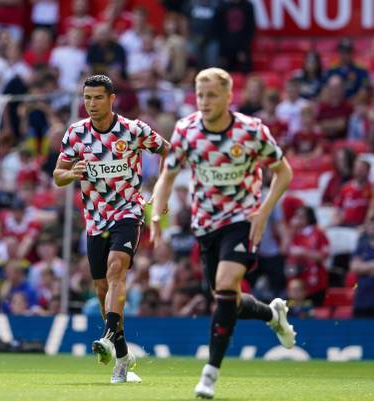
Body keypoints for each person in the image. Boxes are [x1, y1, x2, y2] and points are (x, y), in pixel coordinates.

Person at [150, 68, 296, 399]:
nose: (204, 102)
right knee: (224, 298)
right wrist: (156, 212)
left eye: (212, 95)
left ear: (229, 96)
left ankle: (210, 373)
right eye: (200, 95)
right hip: (205, 225)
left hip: (242, 220)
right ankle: (272, 313)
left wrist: (263, 211)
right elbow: (167, 177)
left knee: (227, 284)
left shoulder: (250, 130)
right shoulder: (186, 131)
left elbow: (283, 172)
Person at [53, 75, 169, 383]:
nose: (91, 104)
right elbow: (57, 174)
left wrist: (161, 192)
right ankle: (121, 354)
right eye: (87, 98)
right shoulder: (76, 134)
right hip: (95, 220)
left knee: (117, 269)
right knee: (102, 288)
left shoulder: (133, 130)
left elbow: (170, 152)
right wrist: (71, 173)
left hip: (128, 212)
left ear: (112, 98)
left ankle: (106, 337)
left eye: (98, 98)